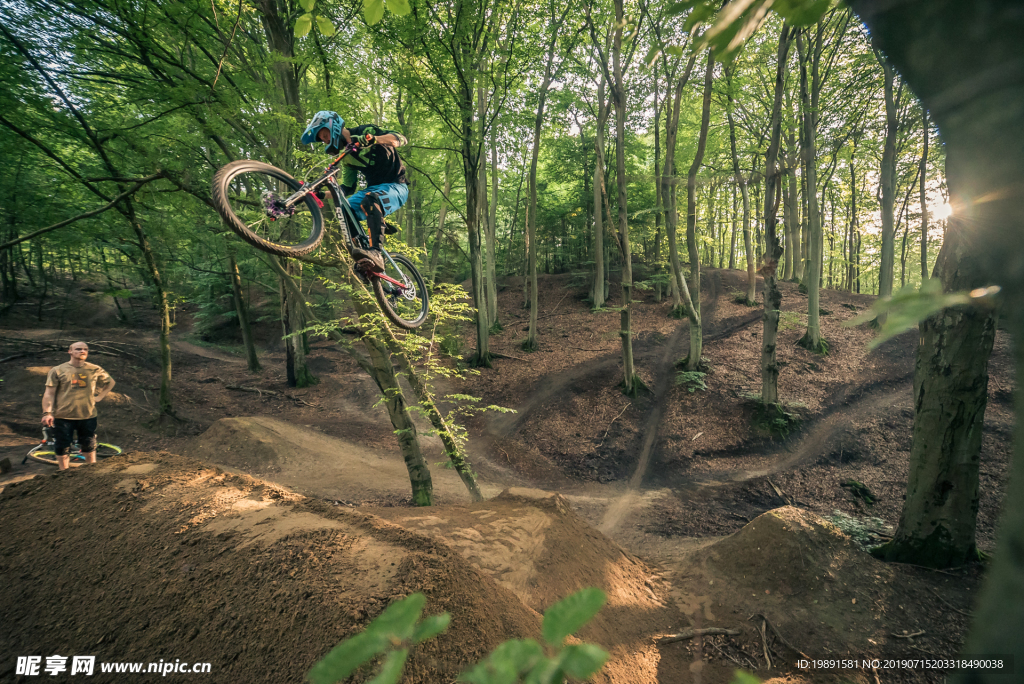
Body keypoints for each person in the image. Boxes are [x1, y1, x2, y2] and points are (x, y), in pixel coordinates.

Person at [300, 110, 409, 272]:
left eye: (324, 136)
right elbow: (346, 189)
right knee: (344, 209)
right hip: (374, 190)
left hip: (397, 186)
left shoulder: (365, 132)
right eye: (322, 140)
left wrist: (374, 140)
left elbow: (400, 139)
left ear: (332, 125)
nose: (324, 141)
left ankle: (376, 253)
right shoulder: (348, 158)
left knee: (370, 198)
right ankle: (365, 259)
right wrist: (320, 194)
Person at [41, 341, 116, 470]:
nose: (82, 351)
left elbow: (110, 382)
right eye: (78, 349)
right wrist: (47, 413)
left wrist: (99, 397)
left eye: (85, 349)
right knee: (62, 445)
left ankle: (91, 472)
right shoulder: (58, 370)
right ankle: (64, 472)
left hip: (87, 415)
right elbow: (49, 393)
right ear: (69, 351)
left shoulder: (94, 369)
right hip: (63, 416)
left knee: (89, 444)